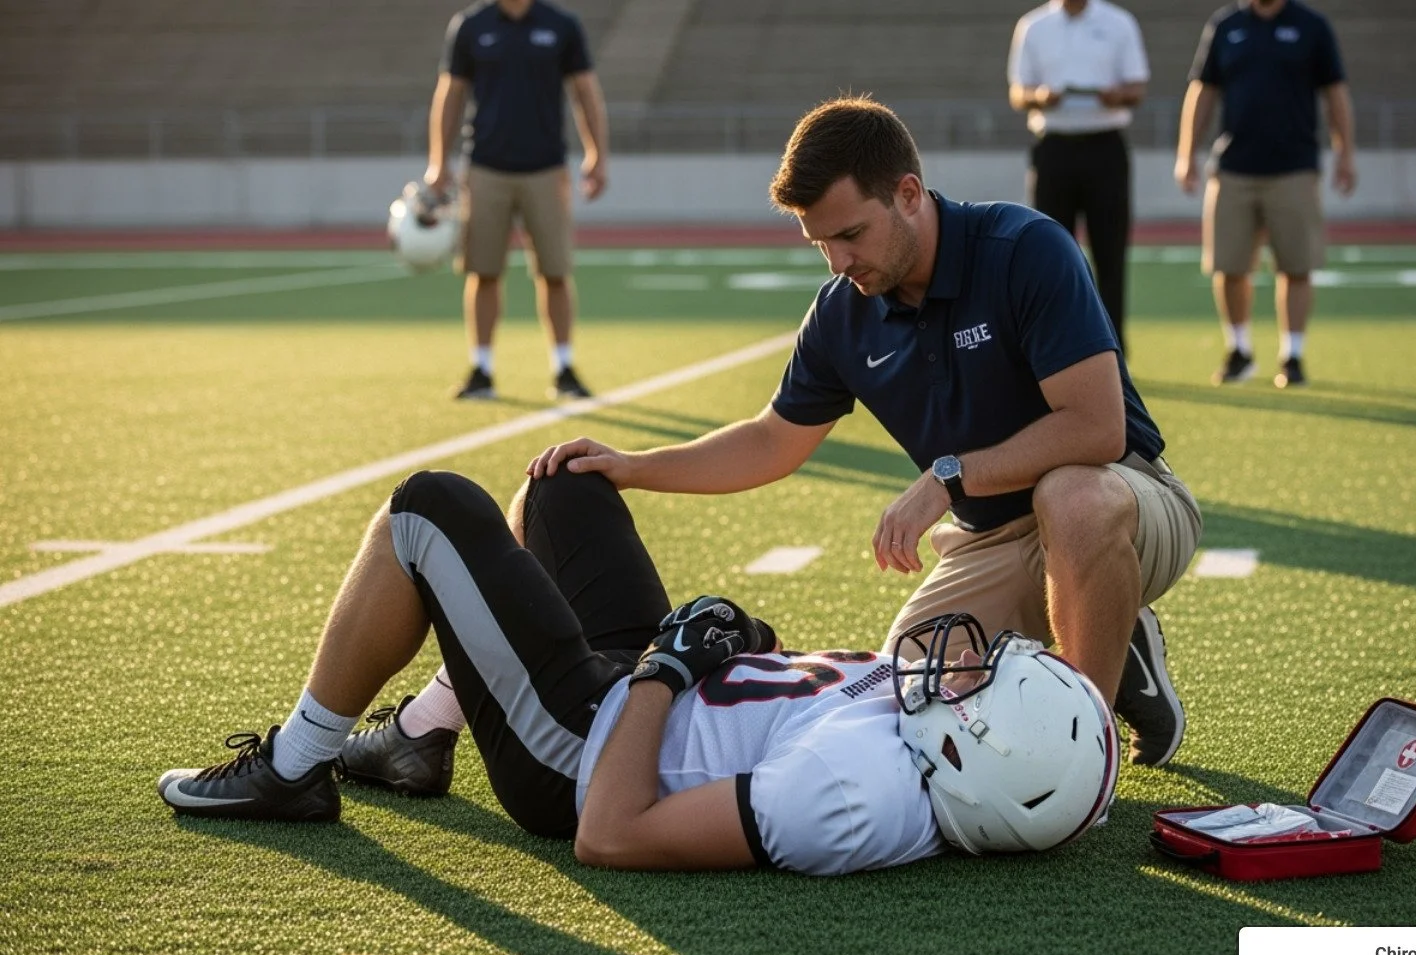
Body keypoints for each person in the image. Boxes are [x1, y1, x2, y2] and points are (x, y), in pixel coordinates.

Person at [528, 97, 1203, 767]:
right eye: (820, 243)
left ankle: (1086, 751)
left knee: (1073, 500)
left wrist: (949, 475)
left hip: (1127, 495)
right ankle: (1121, 641)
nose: (836, 262)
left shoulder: (1024, 248)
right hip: (995, 534)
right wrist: (630, 466)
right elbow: (771, 441)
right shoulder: (841, 314)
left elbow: (1096, 428)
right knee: (907, 686)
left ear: (908, 194)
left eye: (850, 235)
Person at [156, 469, 1120, 875]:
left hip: (587, 747)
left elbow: (613, 832)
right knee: (563, 485)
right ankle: (420, 737)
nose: (959, 664)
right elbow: (788, 713)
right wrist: (746, 651)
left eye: (975, 686)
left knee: (428, 510)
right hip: (652, 694)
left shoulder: (852, 798)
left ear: (974, 756)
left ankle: (292, 767)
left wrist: (668, 665)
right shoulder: (940, 754)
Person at [427, 0, 609, 402]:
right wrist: (438, 162)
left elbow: (585, 91)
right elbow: (450, 94)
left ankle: (563, 367)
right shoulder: (471, 25)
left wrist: (597, 153)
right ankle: (482, 367)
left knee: (555, 271)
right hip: (486, 166)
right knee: (483, 271)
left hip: (545, 166)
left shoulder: (560, 24)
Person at [1174, 0, 1356, 389]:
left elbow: (1335, 92)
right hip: (1233, 167)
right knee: (1228, 266)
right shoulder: (1226, 25)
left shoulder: (1311, 26)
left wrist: (1346, 154)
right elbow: (1202, 90)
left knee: (1296, 265)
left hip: (1293, 167)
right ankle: (1238, 350)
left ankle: (1292, 354)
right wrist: (1186, 152)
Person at [1007, 0, 1150, 355]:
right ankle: (1057, 344)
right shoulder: (1034, 25)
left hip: (1105, 147)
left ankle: (1113, 346)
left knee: (1110, 252)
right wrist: (1039, 97)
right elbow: (1017, 92)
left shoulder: (1118, 22)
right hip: (1054, 146)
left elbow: (1138, 87)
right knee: (1050, 253)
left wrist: (1117, 95)